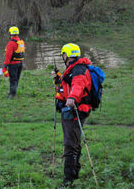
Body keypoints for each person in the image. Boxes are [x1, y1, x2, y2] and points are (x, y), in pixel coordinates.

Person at [51, 43, 92, 188]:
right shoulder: (73, 68)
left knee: (70, 144)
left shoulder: (79, 68)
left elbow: (78, 85)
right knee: (74, 141)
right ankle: (74, 172)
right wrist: (58, 79)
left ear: (67, 55)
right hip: (71, 109)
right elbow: (68, 83)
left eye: (63, 54)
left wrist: (73, 98)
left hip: (75, 110)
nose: (63, 57)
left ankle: (68, 180)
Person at [3, 26, 25, 99]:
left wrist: (5, 65)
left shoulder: (11, 43)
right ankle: (13, 92)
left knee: (12, 79)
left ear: (10, 33)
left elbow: (8, 55)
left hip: (13, 64)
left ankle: (12, 94)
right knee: (16, 79)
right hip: (20, 63)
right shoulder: (21, 42)